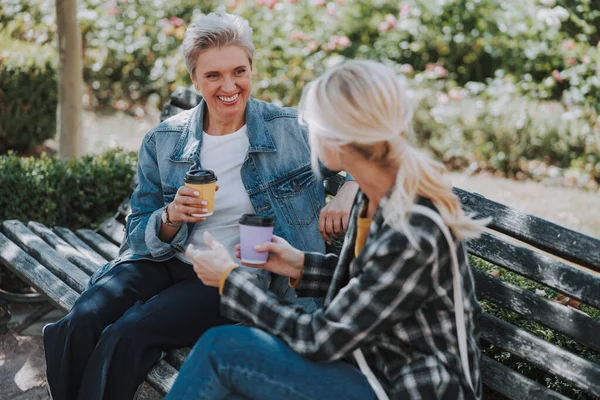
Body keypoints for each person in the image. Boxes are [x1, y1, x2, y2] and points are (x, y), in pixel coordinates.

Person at [42, 12, 358, 400]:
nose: (229, 86)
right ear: (194, 78)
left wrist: (349, 189)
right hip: (163, 259)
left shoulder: (292, 130)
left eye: (238, 71)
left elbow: (370, 151)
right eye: (213, 76)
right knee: (82, 319)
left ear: (252, 68)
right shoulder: (165, 140)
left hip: (228, 275)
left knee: (128, 335)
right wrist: (171, 217)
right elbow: (138, 229)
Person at [169, 60, 490, 400]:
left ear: (340, 138)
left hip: (406, 388)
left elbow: (319, 338)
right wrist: (299, 265)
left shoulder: (412, 229)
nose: (310, 136)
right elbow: (376, 285)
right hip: (370, 370)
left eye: (313, 126)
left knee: (224, 349)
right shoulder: (377, 196)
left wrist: (230, 281)